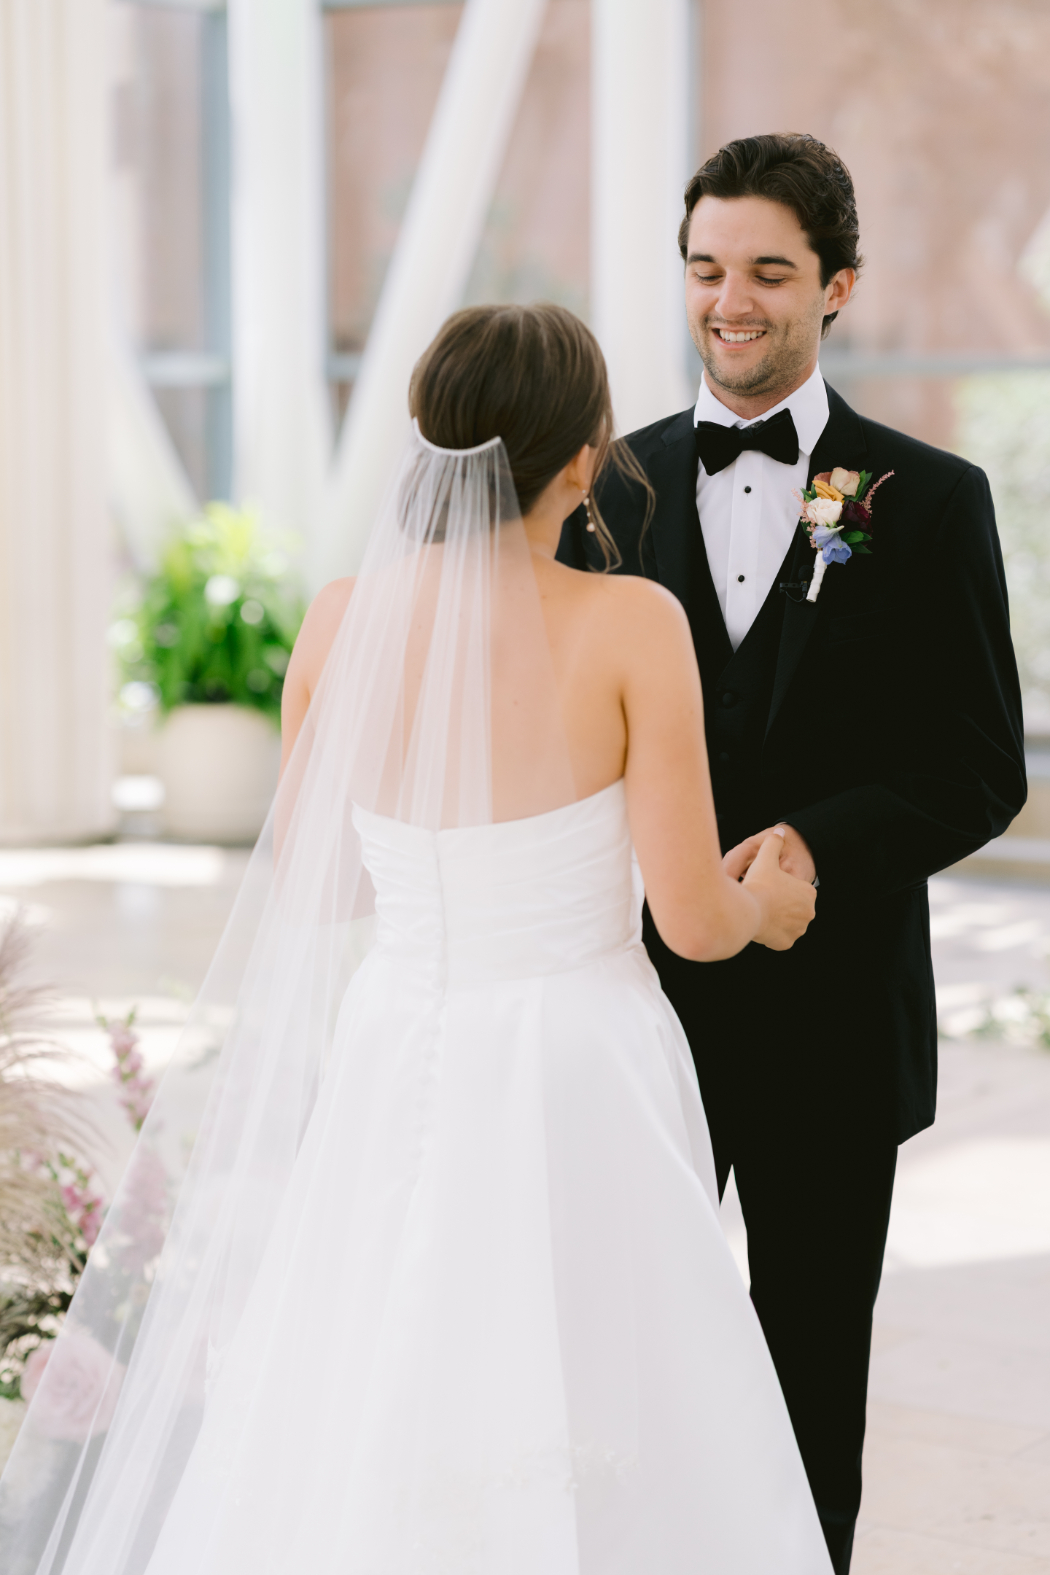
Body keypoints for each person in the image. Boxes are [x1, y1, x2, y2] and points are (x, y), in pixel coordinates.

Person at [2, 303, 829, 1574]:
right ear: (584, 453)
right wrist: (769, 903)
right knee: (596, 1371)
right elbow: (694, 922)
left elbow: (321, 890)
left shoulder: (342, 618)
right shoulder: (631, 624)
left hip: (399, 1038)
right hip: (576, 1058)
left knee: (387, 1353)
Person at [558, 133, 1027, 1574]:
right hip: (635, 1016)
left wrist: (819, 846)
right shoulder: (604, 490)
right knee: (623, 1367)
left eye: (766, 270)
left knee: (811, 1373)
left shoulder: (928, 497)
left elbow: (978, 763)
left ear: (837, 286)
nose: (730, 301)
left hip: (834, 1014)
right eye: (705, 269)